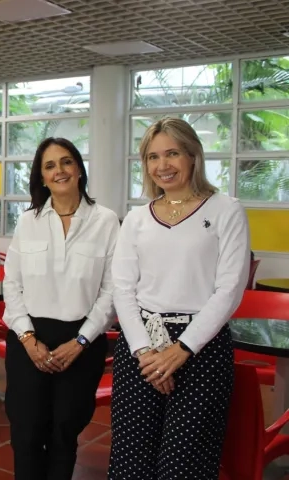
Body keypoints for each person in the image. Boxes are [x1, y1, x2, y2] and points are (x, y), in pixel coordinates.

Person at [108, 117, 250, 479]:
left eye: (172, 153)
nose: (163, 165)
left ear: (192, 156)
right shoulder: (137, 218)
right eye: (153, 157)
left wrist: (182, 349)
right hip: (141, 350)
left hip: (201, 351)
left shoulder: (225, 210)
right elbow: (122, 288)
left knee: (184, 464)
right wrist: (146, 353)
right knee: (131, 460)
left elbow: (230, 289)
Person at [1, 138, 119, 480]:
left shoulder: (106, 221)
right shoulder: (29, 221)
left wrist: (80, 342)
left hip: (81, 342)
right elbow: (12, 284)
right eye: (50, 166)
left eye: (66, 162)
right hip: (29, 341)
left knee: (64, 435)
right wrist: (27, 338)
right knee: (25, 434)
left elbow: (111, 290)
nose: (59, 171)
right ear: (41, 176)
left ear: (79, 169)